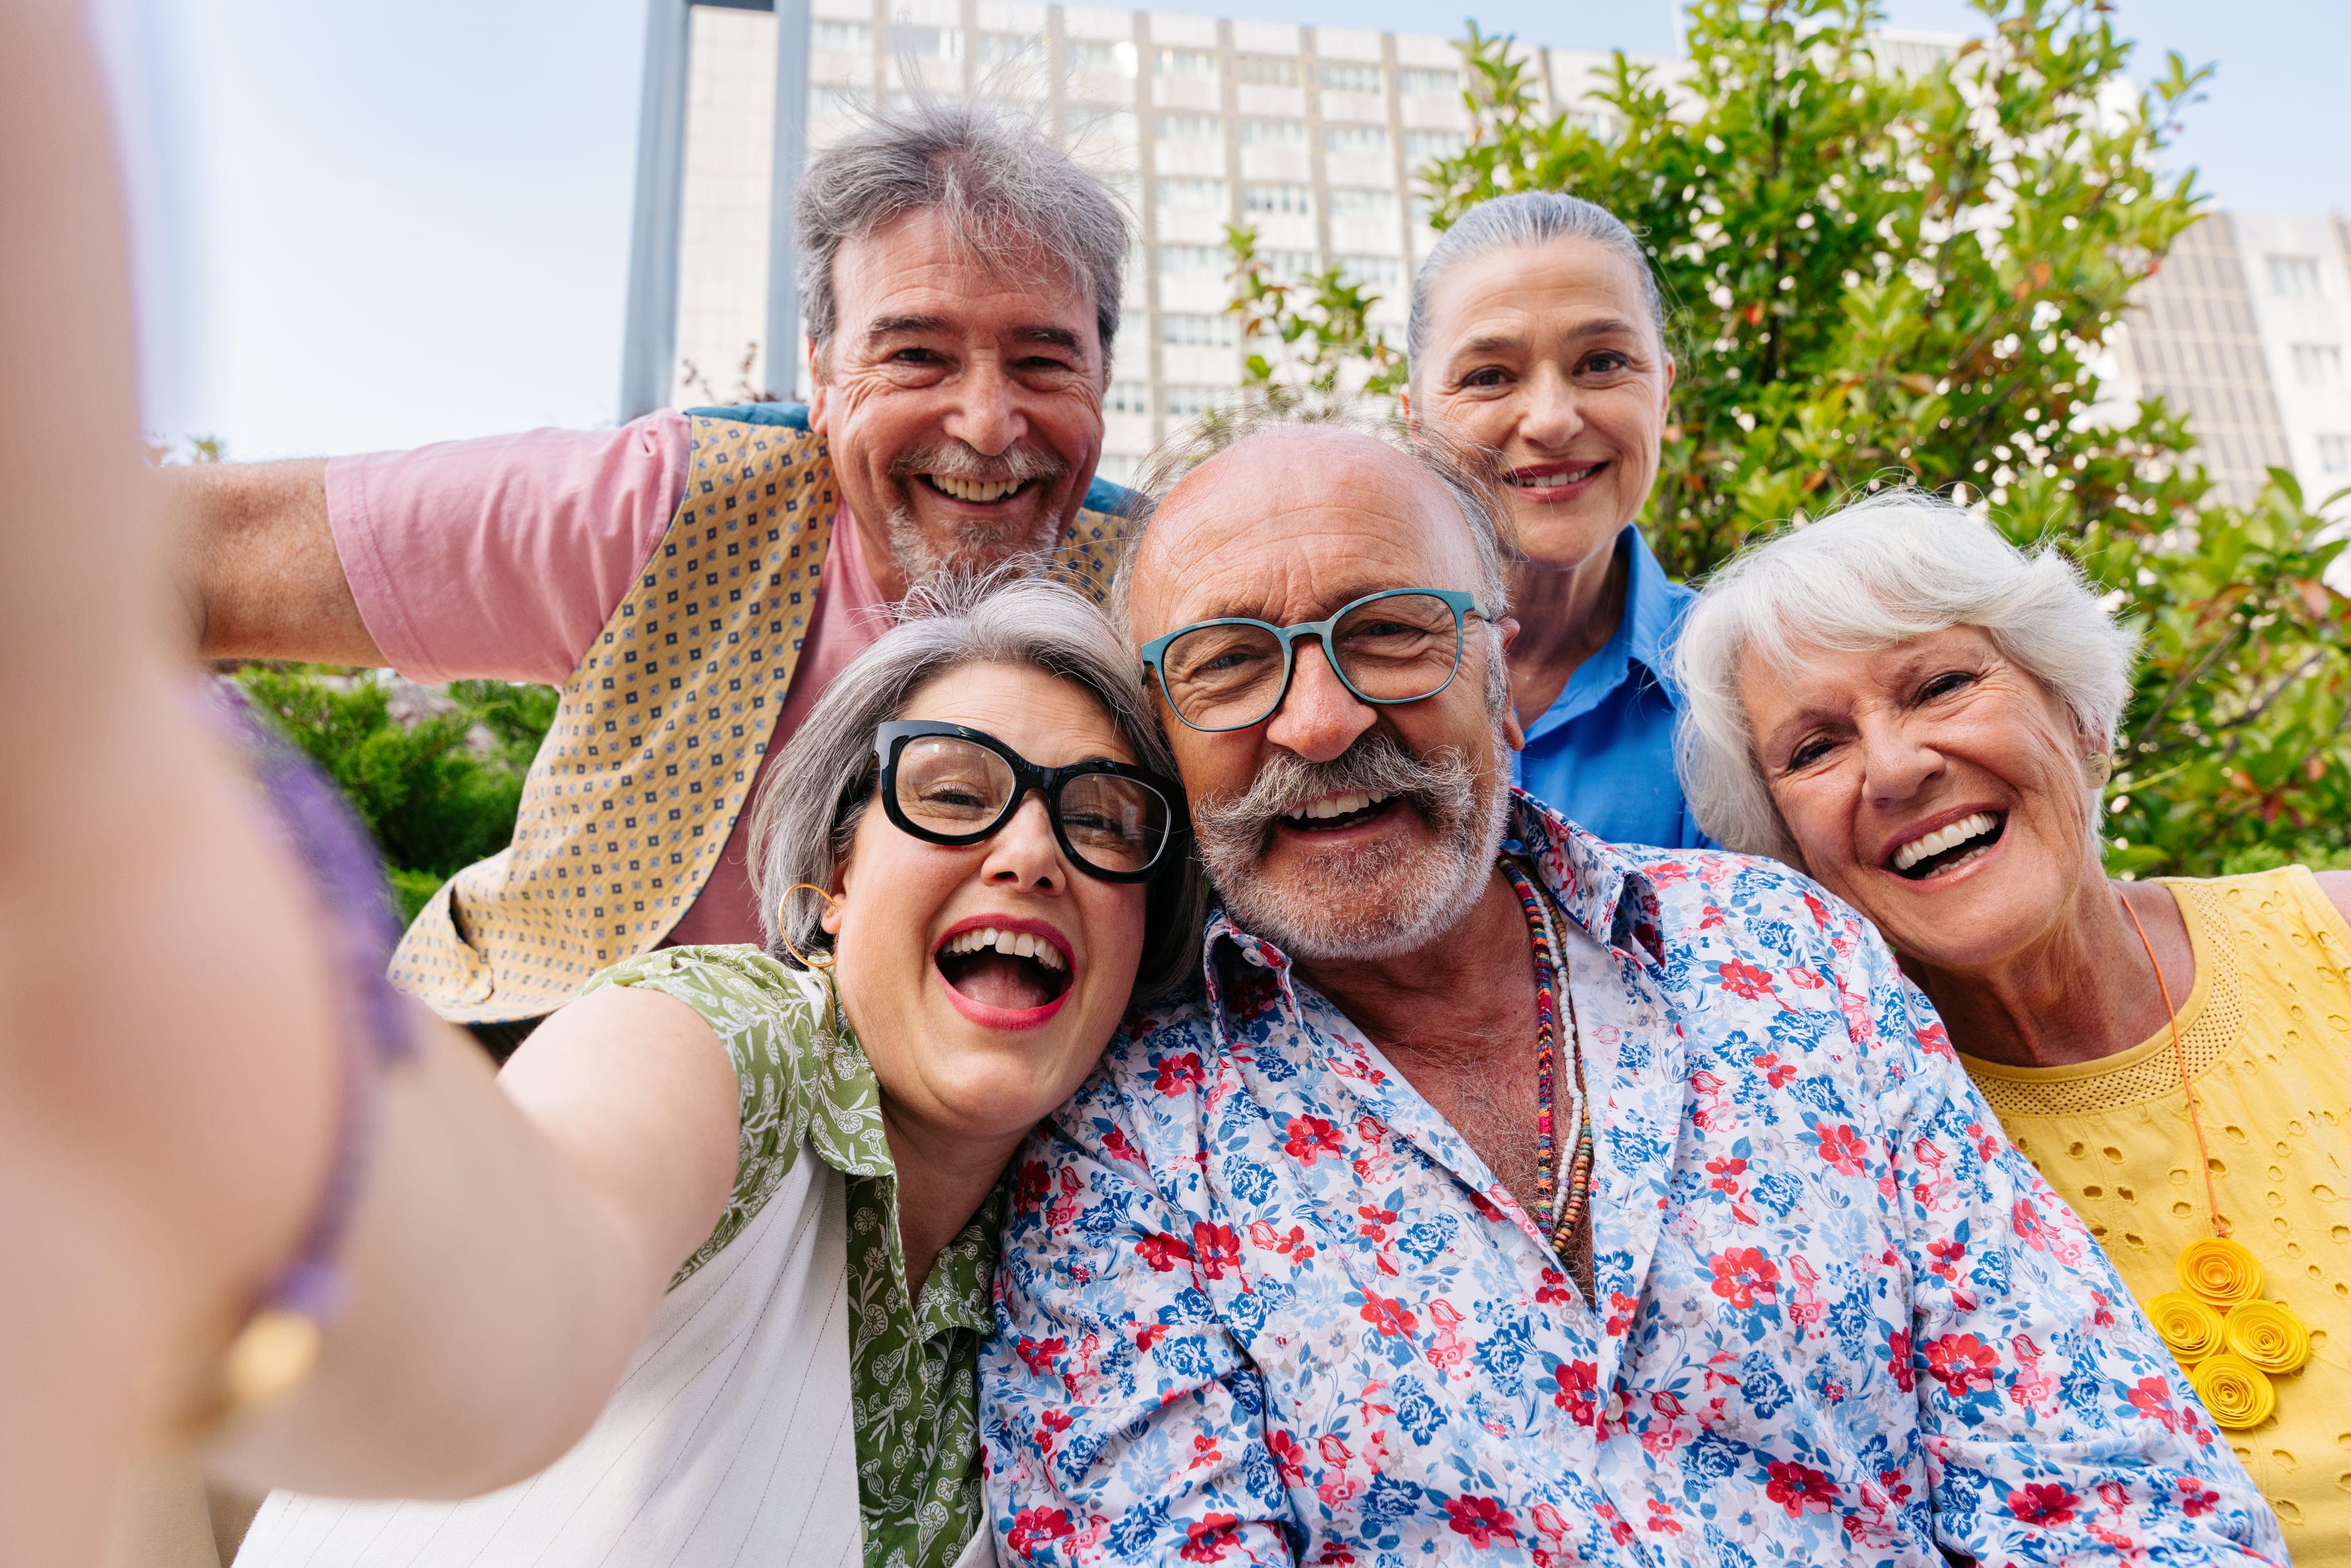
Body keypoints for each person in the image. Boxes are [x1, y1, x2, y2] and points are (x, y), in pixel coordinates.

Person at [978, 417, 2282, 1566]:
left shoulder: (1784, 955)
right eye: (1227, 664)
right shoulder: (1125, 1142)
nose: (1319, 719)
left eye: (1390, 633)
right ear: (1161, 738)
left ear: (1505, 682)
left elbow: (2111, 1481)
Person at [227, 576, 1202, 1568]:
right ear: (833, 879)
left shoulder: (1092, 1262)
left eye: (1105, 823)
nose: (1035, 852)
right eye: (953, 794)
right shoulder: (736, 1038)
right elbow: (556, 1207)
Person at [170, 99, 1141, 1053]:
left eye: (1043, 363)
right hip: (517, 1068)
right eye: (917, 356)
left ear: (1102, 377)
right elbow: (185, 548)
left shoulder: (1167, 592)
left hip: (932, 1176)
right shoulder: (662, 505)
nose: (986, 423)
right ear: (822, 379)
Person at [1673, 489, 2351, 1555]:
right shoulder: (1825, 1166)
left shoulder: (2336, 941)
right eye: (1815, 748)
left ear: (2078, 713)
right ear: (1787, 854)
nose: (1895, 768)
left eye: (1940, 685)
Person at [1400, 192, 1704, 848]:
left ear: (1663, 393)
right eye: (1488, 376)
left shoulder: (1747, 682)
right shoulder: (1332, 683)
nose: (1552, 420)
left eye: (1602, 363)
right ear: (1415, 421)